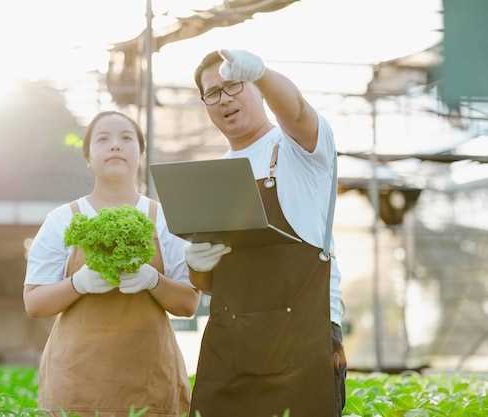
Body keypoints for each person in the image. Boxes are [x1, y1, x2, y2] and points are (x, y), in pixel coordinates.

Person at [185, 50, 347, 417]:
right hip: (231, 342)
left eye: (233, 85)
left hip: (304, 336)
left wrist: (262, 73)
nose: (224, 98)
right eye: (212, 93)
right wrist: (195, 263)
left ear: (258, 90)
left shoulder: (299, 149)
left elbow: (298, 111)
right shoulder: (215, 178)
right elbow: (210, 283)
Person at [23, 111, 199, 417]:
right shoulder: (61, 220)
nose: (115, 145)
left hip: (150, 383)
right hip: (76, 384)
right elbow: (34, 302)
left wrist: (154, 280)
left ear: (140, 154)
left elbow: (188, 303)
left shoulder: (166, 219)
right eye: (103, 139)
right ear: (88, 157)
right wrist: (77, 284)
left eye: (126, 138)